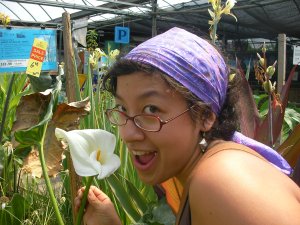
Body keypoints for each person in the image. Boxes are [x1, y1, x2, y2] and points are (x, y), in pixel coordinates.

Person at [75, 27, 300, 225]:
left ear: (204, 116)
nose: (128, 134)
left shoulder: (221, 181)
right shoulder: (198, 173)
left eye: (151, 109)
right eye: (122, 109)